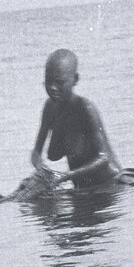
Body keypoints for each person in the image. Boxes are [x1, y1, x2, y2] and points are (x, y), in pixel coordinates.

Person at [30, 49, 123, 190]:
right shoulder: (49, 108)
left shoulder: (86, 108)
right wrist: (41, 169)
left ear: (75, 79)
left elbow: (104, 157)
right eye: (48, 81)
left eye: (60, 82)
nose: (52, 88)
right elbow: (37, 152)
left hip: (110, 183)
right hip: (82, 186)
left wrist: (65, 176)